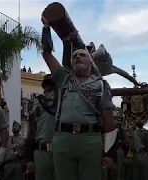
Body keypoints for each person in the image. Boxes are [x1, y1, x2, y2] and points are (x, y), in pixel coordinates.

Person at [40, 16, 117, 180]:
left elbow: (109, 121)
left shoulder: (102, 85)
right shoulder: (63, 79)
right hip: (62, 140)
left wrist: (109, 154)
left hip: (91, 141)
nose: (77, 57)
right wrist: (46, 29)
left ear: (91, 63)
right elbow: (47, 54)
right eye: (74, 56)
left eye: (82, 55)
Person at [26, 74, 56, 180]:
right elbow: (31, 132)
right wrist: (29, 158)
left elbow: (30, 132)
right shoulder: (35, 101)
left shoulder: (62, 99)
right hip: (41, 150)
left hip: (60, 149)